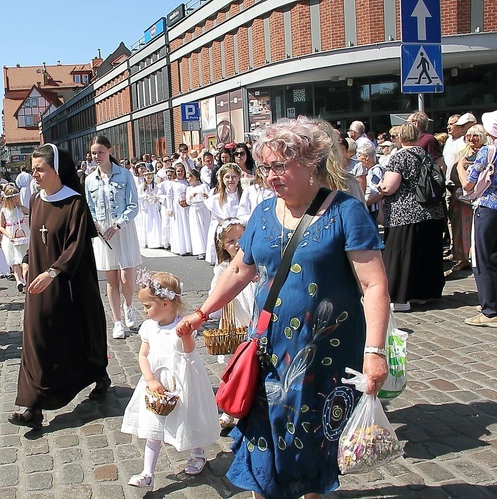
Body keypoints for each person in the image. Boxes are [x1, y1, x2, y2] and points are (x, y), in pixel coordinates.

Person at [177, 116, 389, 499]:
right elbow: (240, 269)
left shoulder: (346, 212)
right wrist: (201, 312)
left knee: (306, 438)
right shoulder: (261, 213)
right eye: (265, 167)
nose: (271, 176)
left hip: (323, 353)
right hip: (268, 348)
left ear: (310, 164)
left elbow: (374, 285)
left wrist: (375, 352)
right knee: (264, 433)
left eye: (281, 166)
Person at [10, 143, 109, 430]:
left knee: (78, 333)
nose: (34, 175)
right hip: (38, 282)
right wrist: (29, 260)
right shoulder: (37, 200)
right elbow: (34, 238)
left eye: (40, 169)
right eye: (32, 170)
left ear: (57, 170)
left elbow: (76, 246)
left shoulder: (74, 203)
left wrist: (54, 272)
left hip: (69, 283)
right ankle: (34, 406)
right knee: (36, 337)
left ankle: (98, 373)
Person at [121, 270, 220, 491]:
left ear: (166, 303)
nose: (144, 311)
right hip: (157, 385)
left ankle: (197, 453)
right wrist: (150, 380)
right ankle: (147, 473)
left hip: (181, 382)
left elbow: (189, 351)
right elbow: (143, 355)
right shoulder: (149, 328)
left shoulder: (182, 325)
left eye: (148, 306)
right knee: (153, 427)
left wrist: (185, 336)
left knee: (188, 417)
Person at [377, 123, 445, 312]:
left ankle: (401, 297)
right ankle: (423, 293)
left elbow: (389, 187)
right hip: (431, 211)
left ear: (400, 137)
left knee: (401, 254)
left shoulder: (399, 157)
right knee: (425, 254)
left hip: (405, 213)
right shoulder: (426, 155)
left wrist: (379, 187)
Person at [458, 110, 497, 327]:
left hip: (487, 207)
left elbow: (468, 184)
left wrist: (461, 167)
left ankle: (489, 312)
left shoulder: (487, 151)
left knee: (481, 259)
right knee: (495, 256)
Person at [85, 135, 142, 339]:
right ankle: (117, 321)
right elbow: (89, 207)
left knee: (127, 276)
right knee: (111, 279)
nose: (97, 156)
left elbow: (134, 205)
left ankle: (129, 305)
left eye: (100, 152)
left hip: (122, 228)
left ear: (109, 151)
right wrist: (97, 226)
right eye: (94, 153)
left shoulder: (124, 175)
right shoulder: (90, 179)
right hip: (103, 230)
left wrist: (119, 224)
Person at [209, 218, 257, 430]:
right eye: (231, 241)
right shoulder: (223, 270)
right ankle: (229, 409)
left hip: (256, 320)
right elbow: (215, 299)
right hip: (235, 323)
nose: (237, 244)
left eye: (241, 238)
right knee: (233, 368)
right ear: (222, 245)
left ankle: (254, 407)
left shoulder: (257, 263)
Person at [447, 124, 486, 275]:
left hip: (479, 198)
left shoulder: (487, 152)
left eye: (475, 135)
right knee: (460, 229)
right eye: (469, 135)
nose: (471, 138)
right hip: (462, 198)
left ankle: (476, 259)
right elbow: (454, 173)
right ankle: (462, 259)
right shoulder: (462, 152)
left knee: (475, 230)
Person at [204, 163, 243, 264]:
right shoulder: (215, 199)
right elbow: (216, 221)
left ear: (239, 177)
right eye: (227, 177)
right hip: (225, 233)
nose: (231, 180)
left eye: (234, 176)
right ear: (222, 179)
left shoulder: (244, 195)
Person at [0, 184, 29, 292]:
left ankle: (25, 280)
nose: (16, 200)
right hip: (10, 234)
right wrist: (8, 235)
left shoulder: (20, 208)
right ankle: (18, 280)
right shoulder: (4, 210)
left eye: (17, 198)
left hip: (21, 232)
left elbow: (31, 211)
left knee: (23, 257)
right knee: (14, 260)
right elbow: (1, 226)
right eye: (14, 198)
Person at [186, 168, 211, 259]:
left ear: (195, 177)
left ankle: (208, 250)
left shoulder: (204, 186)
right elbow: (188, 202)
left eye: (189, 178)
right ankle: (200, 251)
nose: (188, 180)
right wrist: (191, 197)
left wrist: (205, 196)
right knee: (196, 230)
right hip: (194, 210)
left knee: (205, 228)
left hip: (203, 209)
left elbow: (209, 199)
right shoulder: (189, 189)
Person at [137, 169, 162, 249]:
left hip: (153, 207)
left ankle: (155, 241)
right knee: (147, 222)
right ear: (145, 177)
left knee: (154, 222)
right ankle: (146, 241)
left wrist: (156, 198)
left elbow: (159, 194)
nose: (149, 179)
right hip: (146, 208)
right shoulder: (141, 186)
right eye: (148, 178)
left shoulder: (155, 186)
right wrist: (145, 196)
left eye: (151, 178)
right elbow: (138, 196)